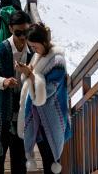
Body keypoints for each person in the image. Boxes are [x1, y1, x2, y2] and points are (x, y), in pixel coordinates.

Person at [0, 11, 34, 173]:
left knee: (20, 162)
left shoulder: (33, 52)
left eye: (26, 32)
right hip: (1, 115)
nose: (23, 37)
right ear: (10, 29)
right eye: (19, 33)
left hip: (23, 116)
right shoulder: (2, 50)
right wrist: (3, 82)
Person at [19, 24, 71, 173]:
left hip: (52, 116)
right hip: (39, 117)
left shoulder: (57, 63)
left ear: (44, 42)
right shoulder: (39, 55)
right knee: (46, 157)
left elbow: (46, 92)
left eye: (35, 47)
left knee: (51, 160)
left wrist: (29, 75)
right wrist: (27, 72)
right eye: (31, 48)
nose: (33, 51)